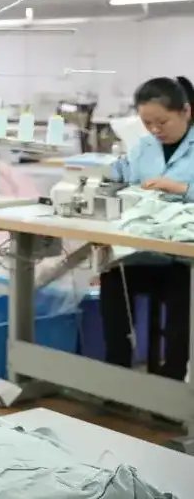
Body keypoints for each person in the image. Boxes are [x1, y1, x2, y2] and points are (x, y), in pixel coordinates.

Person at [101, 76, 194, 381]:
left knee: (184, 294)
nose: (155, 130)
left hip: (184, 259)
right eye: (147, 122)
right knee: (112, 280)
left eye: (162, 122)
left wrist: (180, 187)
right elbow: (121, 177)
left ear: (186, 112)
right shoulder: (143, 147)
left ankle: (172, 383)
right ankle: (119, 375)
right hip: (146, 250)